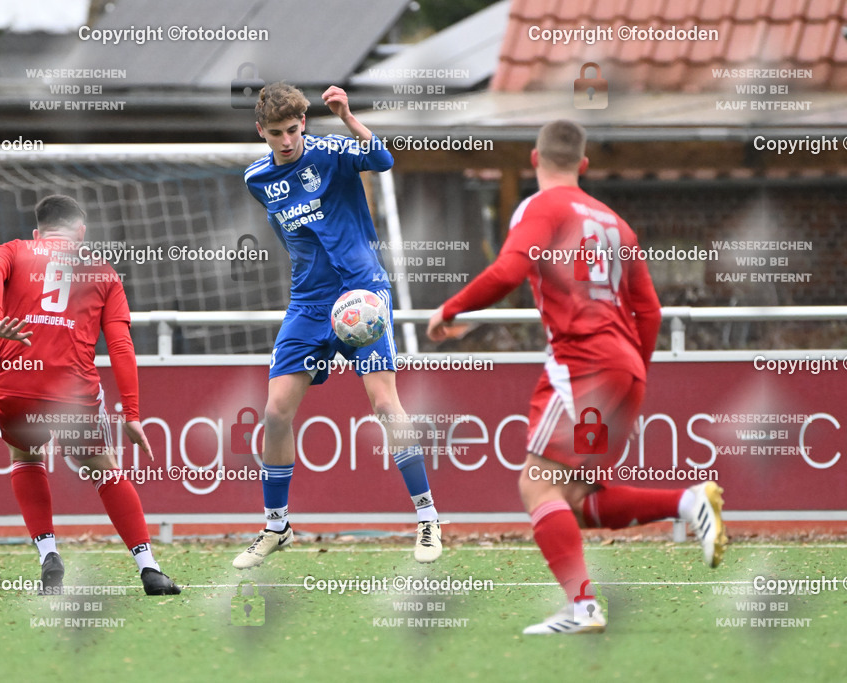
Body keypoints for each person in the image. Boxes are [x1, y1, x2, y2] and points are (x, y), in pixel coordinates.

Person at [427, 120, 727, 634]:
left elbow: (507, 270)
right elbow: (650, 312)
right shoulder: (617, 223)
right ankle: (688, 501)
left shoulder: (541, 208)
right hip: (625, 367)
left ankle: (583, 607)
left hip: (582, 364)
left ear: (534, 159)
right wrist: (634, 372)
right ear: (584, 165)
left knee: (537, 485)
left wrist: (449, 309)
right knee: (578, 497)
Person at [236, 83, 441, 568]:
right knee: (275, 413)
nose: (287, 140)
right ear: (260, 131)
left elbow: (382, 159)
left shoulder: (332, 153)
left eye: (293, 129)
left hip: (361, 294)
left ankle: (429, 519)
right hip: (307, 304)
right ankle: (276, 525)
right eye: (276, 133)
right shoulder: (257, 178)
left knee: (384, 404)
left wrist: (348, 116)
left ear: (304, 124)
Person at [0, 195, 180, 596]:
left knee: (25, 457)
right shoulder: (103, 273)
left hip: (19, 384)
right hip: (73, 392)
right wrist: (133, 412)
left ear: (38, 233)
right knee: (104, 469)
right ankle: (149, 569)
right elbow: (121, 346)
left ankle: (49, 554)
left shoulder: (14, 250)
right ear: (81, 233)